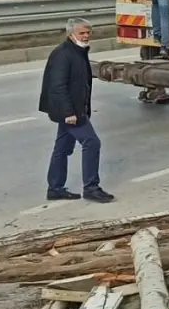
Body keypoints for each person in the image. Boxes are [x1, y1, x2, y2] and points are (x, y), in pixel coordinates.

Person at [38, 18, 114, 203]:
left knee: (62, 148)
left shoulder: (78, 51)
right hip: (70, 111)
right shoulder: (63, 54)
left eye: (88, 32)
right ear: (71, 33)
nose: (86, 36)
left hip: (75, 109)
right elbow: (58, 86)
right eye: (82, 33)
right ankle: (91, 188)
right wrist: (68, 113)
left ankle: (55, 188)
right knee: (92, 143)